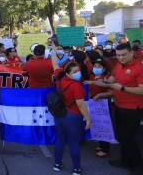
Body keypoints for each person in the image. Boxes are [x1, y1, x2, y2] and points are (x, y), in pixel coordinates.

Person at [88, 43, 143, 171]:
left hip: (133, 108)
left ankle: (137, 166)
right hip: (118, 105)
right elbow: (113, 78)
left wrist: (122, 88)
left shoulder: (139, 68)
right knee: (121, 136)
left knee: (128, 137)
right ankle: (125, 161)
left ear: (131, 53)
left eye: (124, 55)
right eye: (118, 55)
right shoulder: (118, 65)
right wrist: (101, 82)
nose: (121, 58)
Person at [51, 56, 91, 175]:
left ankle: (57, 164)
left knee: (59, 139)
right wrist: (88, 119)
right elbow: (81, 104)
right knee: (74, 142)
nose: (78, 73)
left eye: (78, 70)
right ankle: (76, 169)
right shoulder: (76, 86)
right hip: (73, 116)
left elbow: (54, 64)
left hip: (59, 115)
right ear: (67, 74)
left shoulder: (59, 78)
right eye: (75, 72)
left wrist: (53, 49)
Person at [86, 58, 112, 158]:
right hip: (94, 104)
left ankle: (106, 149)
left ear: (104, 69)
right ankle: (101, 146)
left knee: (104, 127)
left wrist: (100, 95)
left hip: (104, 105)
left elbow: (111, 93)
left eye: (99, 66)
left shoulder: (106, 79)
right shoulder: (92, 77)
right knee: (98, 125)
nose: (96, 68)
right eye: (95, 66)